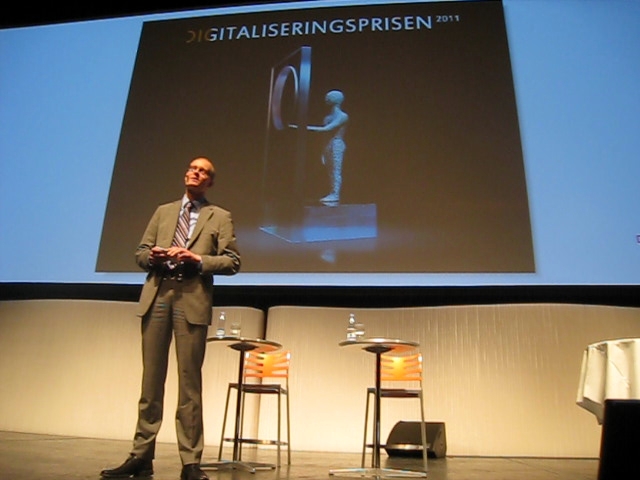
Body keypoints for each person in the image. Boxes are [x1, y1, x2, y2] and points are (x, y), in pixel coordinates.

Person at [101, 156, 241, 480]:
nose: (196, 172)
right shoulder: (164, 212)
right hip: (158, 296)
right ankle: (140, 456)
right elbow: (139, 252)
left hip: (191, 299)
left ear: (210, 182)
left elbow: (233, 262)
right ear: (186, 175)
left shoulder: (219, 217)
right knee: (151, 383)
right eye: (193, 168)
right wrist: (151, 256)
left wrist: (198, 258)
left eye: (203, 171)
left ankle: (191, 462)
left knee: (189, 386)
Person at [307, 90, 349, 206]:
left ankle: (335, 193)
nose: (326, 99)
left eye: (329, 97)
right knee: (330, 171)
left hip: (337, 143)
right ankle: (332, 192)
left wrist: (304, 128)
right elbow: (325, 136)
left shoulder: (343, 116)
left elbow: (328, 129)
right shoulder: (327, 118)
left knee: (336, 170)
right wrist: (322, 151)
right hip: (328, 145)